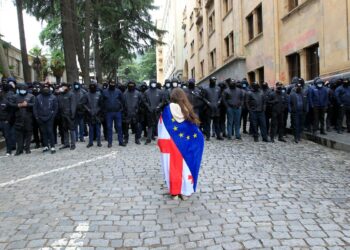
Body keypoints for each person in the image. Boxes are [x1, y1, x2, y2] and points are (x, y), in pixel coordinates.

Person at [157, 88, 204, 200]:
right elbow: (193, 129)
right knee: (185, 168)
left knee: (171, 167)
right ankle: (185, 192)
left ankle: (174, 192)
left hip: (170, 144)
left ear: (172, 97)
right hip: (185, 146)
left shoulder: (167, 110)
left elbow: (161, 125)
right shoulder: (187, 110)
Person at [8, 83, 35, 155]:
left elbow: (34, 104)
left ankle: (27, 149)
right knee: (19, 135)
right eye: (21, 89)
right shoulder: (15, 96)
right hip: (18, 118)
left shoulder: (31, 96)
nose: (22, 90)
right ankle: (19, 149)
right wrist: (18, 105)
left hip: (28, 118)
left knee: (28, 134)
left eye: (24, 89)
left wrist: (27, 104)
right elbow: (10, 104)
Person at [33, 83, 58, 154]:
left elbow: (56, 108)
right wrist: (37, 117)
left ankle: (52, 146)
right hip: (40, 118)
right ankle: (46, 145)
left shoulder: (53, 97)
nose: (45, 89)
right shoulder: (38, 97)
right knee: (43, 132)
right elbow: (35, 108)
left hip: (50, 118)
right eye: (44, 87)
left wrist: (53, 116)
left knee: (50, 132)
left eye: (47, 87)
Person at [103, 80, 125, 147]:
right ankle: (110, 142)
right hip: (108, 113)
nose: (112, 84)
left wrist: (121, 108)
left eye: (113, 83)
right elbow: (101, 101)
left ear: (115, 84)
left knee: (119, 127)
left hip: (117, 112)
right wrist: (104, 110)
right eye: (111, 83)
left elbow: (123, 100)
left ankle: (120, 141)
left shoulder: (118, 91)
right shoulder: (104, 92)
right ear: (109, 84)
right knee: (109, 127)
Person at [81, 81, 103, 148]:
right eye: (91, 86)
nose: (92, 87)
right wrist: (88, 110)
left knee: (98, 129)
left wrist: (98, 110)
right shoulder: (86, 95)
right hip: (89, 114)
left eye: (94, 86)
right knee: (91, 129)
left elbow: (101, 104)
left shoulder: (99, 94)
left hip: (97, 114)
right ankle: (90, 142)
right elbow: (84, 103)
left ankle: (99, 142)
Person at [123, 80, 143, 145]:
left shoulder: (138, 93)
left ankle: (137, 139)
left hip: (135, 113)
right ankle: (126, 139)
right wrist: (124, 111)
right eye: (130, 85)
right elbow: (122, 103)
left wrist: (138, 110)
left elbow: (141, 103)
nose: (131, 86)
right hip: (127, 113)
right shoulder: (125, 94)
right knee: (126, 127)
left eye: (132, 85)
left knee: (136, 127)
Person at [58, 83, 77, 150]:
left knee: (72, 130)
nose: (62, 88)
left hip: (69, 115)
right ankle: (66, 143)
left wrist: (73, 114)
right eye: (61, 87)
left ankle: (73, 144)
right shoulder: (60, 95)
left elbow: (73, 105)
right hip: (62, 115)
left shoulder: (71, 94)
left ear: (66, 87)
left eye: (63, 87)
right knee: (64, 130)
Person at [143, 79, 163, 145]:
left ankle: (160, 139)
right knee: (150, 125)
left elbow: (162, 101)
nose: (153, 84)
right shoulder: (146, 92)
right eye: (152, 83)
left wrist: (159, 106)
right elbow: (144, 101)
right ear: (150, 83)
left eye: (154, 83)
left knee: (158, 125)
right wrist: (148, 107)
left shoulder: (159, 92)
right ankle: (149, 138)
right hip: (149, 111)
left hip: (157, 111)